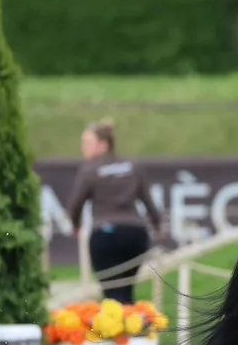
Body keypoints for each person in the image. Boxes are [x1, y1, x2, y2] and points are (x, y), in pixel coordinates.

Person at [64, 120, 165, 305]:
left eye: (87, 143)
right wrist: (158, 228)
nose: (83, 148)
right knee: (126, 289)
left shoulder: (89, 170)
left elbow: (75, 205)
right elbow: (149, 203)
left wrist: (75, 226)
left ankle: (117, 330)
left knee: (112, 293)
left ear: (103, 145)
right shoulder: (134, 166)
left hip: (105, 235)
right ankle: (133, 325)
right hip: (136, 234)